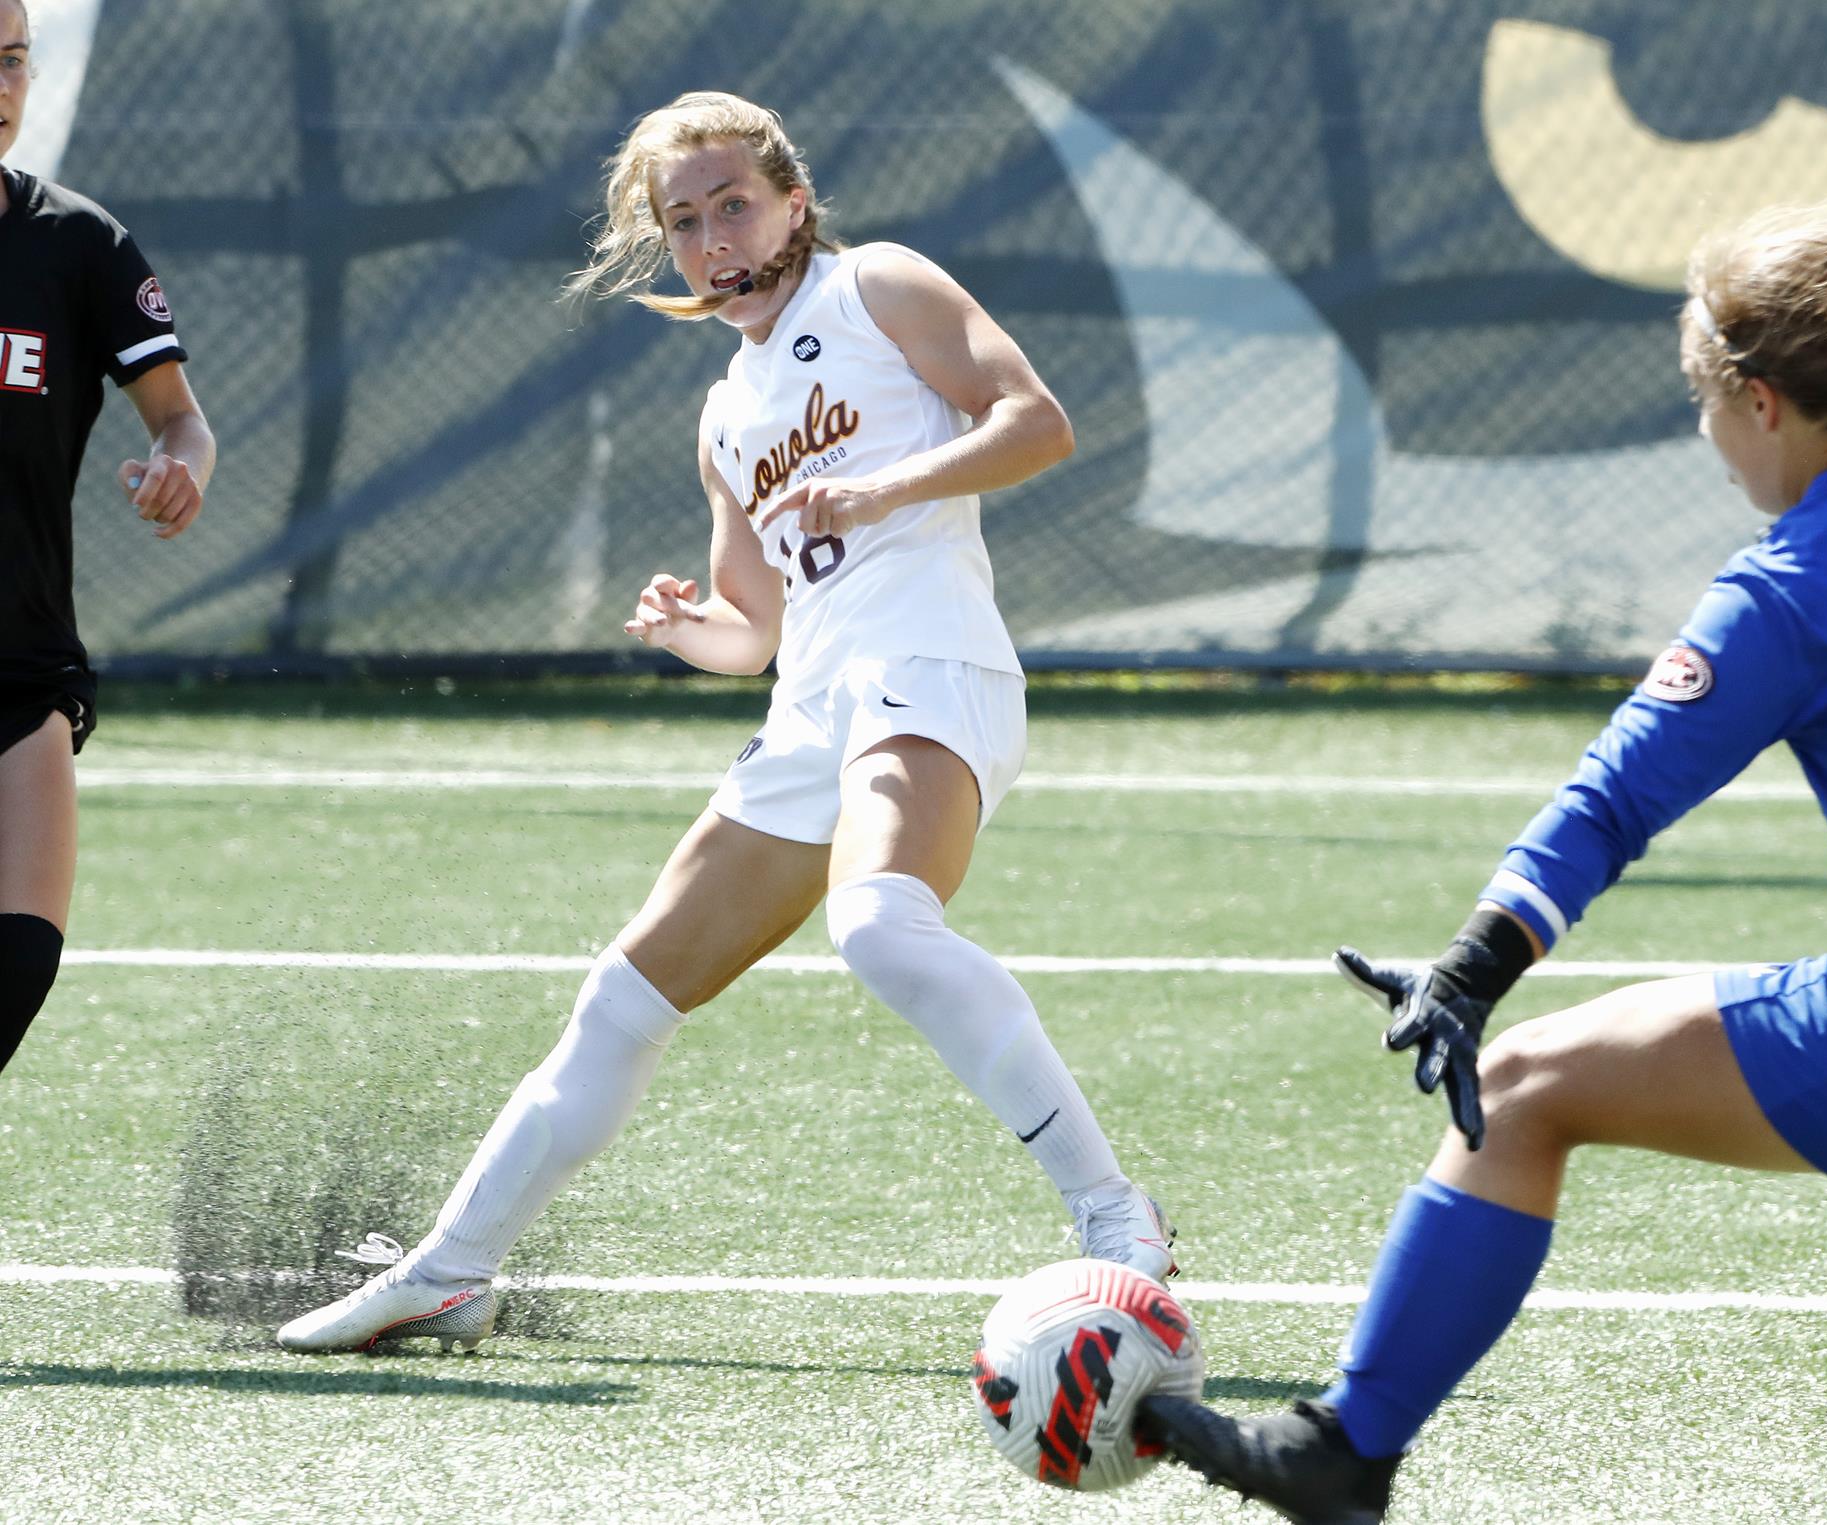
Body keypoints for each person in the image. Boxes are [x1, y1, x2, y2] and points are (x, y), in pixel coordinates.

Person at [1141, 193, 1827, 1522]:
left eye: (1705, 404)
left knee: (1530, 1089)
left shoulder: (1798, 583)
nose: (1707, 437)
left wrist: (1476, 968)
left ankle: (1345, 1450)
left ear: (1762, 404)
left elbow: (1614, 798)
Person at [277, 91, 1174, 1353]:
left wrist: (880, 488)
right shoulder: (724, 412)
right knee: (620, 999)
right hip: (812, 708)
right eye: (683, 220)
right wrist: (690, 624)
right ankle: (453, 1268)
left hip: (930, 664)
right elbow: (754, 625)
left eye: (733, 205)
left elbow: (1036, 422)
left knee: (877, 927)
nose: (712, 239)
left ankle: (1113, 1214)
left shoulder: (881, 286)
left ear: (793, 200)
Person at [0, 0, 214, 1076]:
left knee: (17, 966)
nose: (0, 91)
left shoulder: (76, 243)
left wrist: (184, 465)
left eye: (12, 62)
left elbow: (180, 417)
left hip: (19, 660)